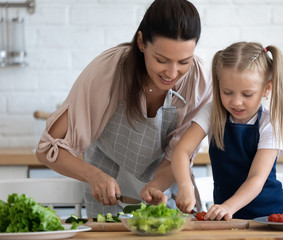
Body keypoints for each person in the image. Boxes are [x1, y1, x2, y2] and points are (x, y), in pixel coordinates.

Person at [36, 0, 211, 218]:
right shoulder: (108, 72)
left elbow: (177, 155)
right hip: (105, 189)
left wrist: (156, 186)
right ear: (141, 42)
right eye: (161, 60)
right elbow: (46, 149)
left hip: (164, 189)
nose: (172, 73)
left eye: (184, 61)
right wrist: (92, 175)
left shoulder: (199, 80)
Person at [171, 41, 283, 220]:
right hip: (229, 218)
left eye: (247, 94)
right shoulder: (213, 112)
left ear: (267, 88)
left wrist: (228, 206)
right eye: (227, 92)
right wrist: (185, 185)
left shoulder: (269, 123)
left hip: (270, 217)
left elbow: (256, 178)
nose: (236, 102)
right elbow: (181, 151)